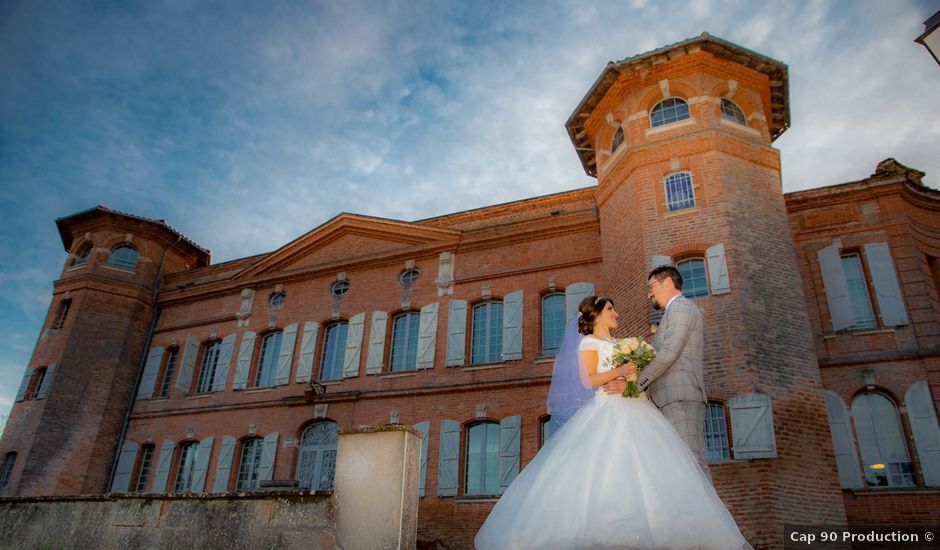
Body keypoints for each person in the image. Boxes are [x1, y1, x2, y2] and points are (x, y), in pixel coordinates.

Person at [475, 295, 751, 550]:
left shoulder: (622, 344)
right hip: (609, 409)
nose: (616, 313)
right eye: (610, 309)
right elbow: (589, 380)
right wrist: (619, 371)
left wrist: (630, 378)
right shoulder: (589, 343)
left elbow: (633, 375)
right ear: (596, 316)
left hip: (638, 406)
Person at [605, 265, 709, 479]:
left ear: (668, 282)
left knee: (690, 461)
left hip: (679, 397)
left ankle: (705, 513)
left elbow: (669, 352)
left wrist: (634, 385)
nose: (648, 293)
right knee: (679, 464)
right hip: (668, 399)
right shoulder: (671, 312)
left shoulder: (681, 308)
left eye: (651, 286)